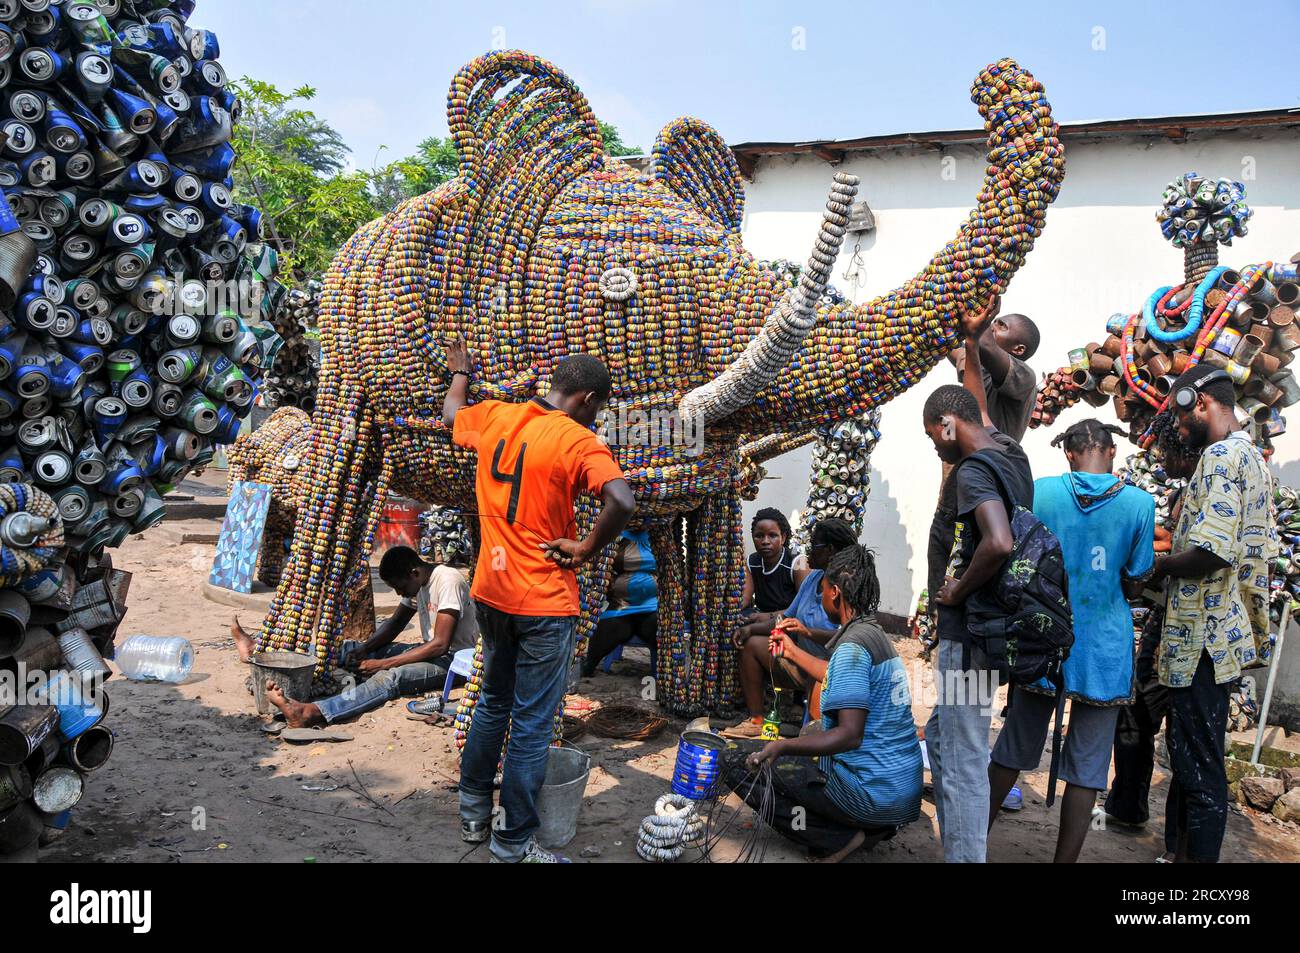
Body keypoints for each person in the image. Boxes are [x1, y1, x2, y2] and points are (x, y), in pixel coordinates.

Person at [443, 340, 635, 863]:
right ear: (587, 398)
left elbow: (452, 414)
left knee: (492, 702)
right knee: (530, 724)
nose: (598, 417)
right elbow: (622, 499)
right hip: (544, 601)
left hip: (491, 592)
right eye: (599, 408)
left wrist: (460, 374)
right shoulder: (578, 441)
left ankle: (473, 813)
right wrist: (588, 547)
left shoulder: (498, 417)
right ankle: (512, 842)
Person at [987, 419, 1155, 862]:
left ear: (1070, 452)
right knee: (1088, 765)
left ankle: (971, 839)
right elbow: (1137, 579)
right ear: (1111, 452)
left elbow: (1015, 554)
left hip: (1040, 636)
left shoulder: (1040, 491)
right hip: (1103, 645)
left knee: (1014, 745)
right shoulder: (1139, 504)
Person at [721, 545, 923, 862]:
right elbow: (837, 676)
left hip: (875, 794)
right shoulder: (874, 634)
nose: (820, 593)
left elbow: (849, 735)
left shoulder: (852, 648)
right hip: (899, 791)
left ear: (835, 593)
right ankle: (870, 827)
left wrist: (781, 747)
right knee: (812, 731)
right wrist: (790, 651)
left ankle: (839, 837)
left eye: (823, 589)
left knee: (735, 760)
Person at [1148, 365, 1276, 863]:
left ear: (1198, 403)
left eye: (1180, 423)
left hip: (1203, 636)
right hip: (1214, 636)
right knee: (1190, 759)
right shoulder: (1250, 455)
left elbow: (1211, 551)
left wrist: (1152, 570)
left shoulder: (1223, 456)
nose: (1178, 433)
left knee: (1200, 770)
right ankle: (1178, 858)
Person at [1104, 412, 1198, 859]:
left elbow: (1183, 550)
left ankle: (1181, 846)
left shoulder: (1212, 483)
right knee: (1136, 718)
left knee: (1180, 737)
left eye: (1170, 451)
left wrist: (1150, 560)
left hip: (1193, 632)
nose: (1165, 461)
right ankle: (1127, 808)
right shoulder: (1188, 490)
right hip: (1166, 626)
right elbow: (1169, 539)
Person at [253, 542, 479, 727]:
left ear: (414, 573)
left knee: (390, 678)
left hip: (454, 660)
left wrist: (383, 664)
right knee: (352, 648)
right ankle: (268, 653)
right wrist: (366, 649)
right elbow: (395, 624)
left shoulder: (448, 580)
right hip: (432, 651)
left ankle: (313, 713)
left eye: (399, 588)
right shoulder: (418, 582)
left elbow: (440, 645)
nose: (399, 593)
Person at [726, 517, 859, 737]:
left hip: (828, 672)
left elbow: (848, 638)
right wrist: (750, 630)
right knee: (750, 645)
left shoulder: (851, 587)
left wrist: (806, 632)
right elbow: (787, 618)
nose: (808, 553)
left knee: (814, 735)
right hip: (800, 662)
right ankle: (757, 719)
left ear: (831, 551)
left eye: (813, 546)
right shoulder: (813, 578)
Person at [947, 294, 1040, 442]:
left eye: (1001, 326)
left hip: (993, 460)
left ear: (1018, 349)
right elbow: (948, 343)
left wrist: (979, 305)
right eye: (993, 322)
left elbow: (984, 344)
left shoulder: (1025, 378)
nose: (991, 327)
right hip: (965, 461)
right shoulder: (979, 367)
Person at [582, 528, 657, 677]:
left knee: (665, 633)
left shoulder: (660, 536)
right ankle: (588, 667)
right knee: (605, 631)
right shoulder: (615, 535)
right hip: (621, 606)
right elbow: (600, 567)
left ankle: (664, 678)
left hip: (653, 607)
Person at [737, 507, 805, 621]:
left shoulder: (799, 563)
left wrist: (766, 617)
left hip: (790, 621)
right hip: (761, 617)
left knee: (751, 638)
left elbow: (803, 608)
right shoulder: (751, 562)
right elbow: (745, 598)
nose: (765, 541)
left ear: (783, 538)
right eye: (759, 536)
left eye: (772, 535)